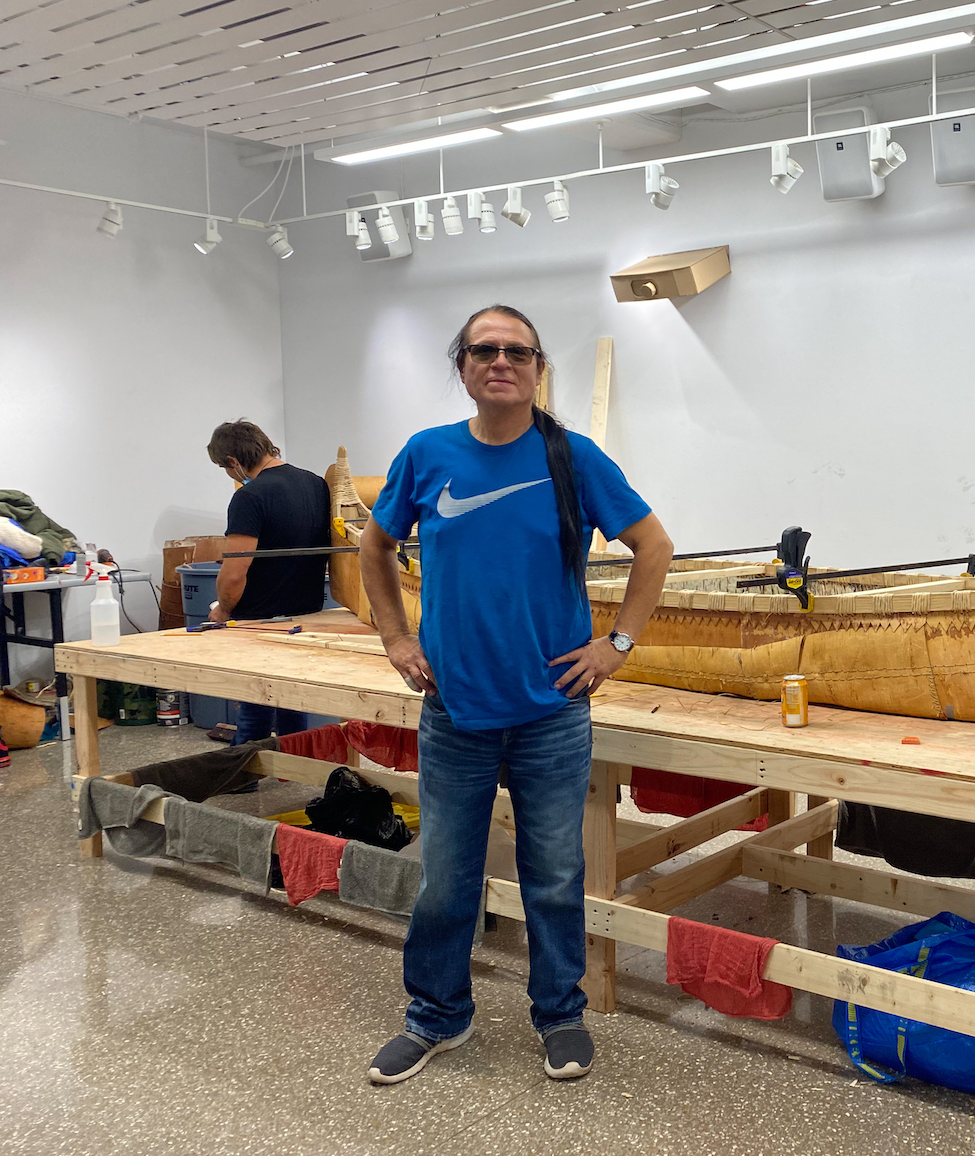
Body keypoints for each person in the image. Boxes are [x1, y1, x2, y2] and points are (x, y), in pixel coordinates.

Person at [360, 305, 673, 1087]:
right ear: (462, 367)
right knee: (445, 880)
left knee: (555, 876)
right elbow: (374, 544)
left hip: (551, 714)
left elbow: (653, 546)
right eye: (484, 350)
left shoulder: (572, 456)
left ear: (538, 368)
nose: (500, 362)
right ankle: (436, 1018)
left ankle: (558, 1016)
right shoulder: (427, 455)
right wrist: (396, 640)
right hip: (455, 712)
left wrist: (618, 644)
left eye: (517, 351)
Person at [206, 420, 331, 745]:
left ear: (233, 461)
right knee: (293, 699)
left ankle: (244, 776)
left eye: (225, 467)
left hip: (259, 622)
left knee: (254, 704)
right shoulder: (316, 484)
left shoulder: (249, 496)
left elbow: (234, 573)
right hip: (308, 616)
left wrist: (223, 609)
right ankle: (294, 769)